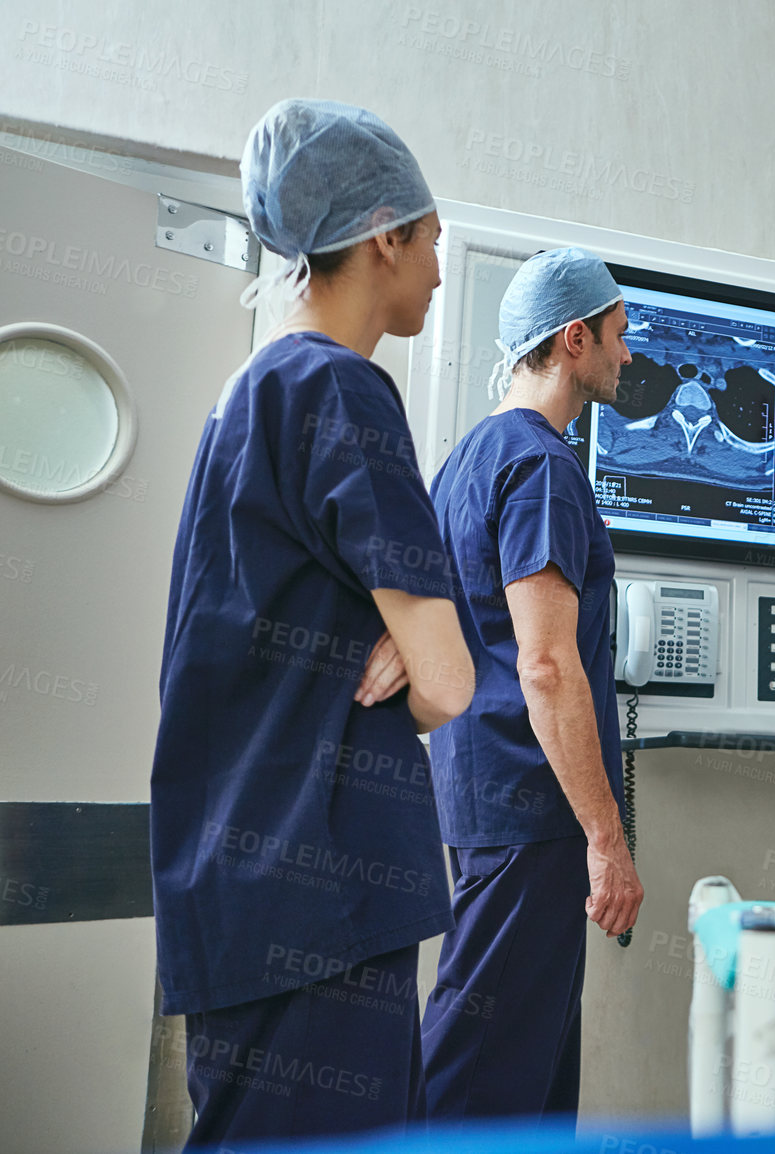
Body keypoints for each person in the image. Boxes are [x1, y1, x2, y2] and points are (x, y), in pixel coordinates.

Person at [150, 99, 474, 1149]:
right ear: (384, 234)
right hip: (321, 893)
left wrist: (384, 645)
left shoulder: (249, 392)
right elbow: (453, 680)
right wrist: (412, 652)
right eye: (431, 240)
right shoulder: (344, 389)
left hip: (250, 882)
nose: (436, 266)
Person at [421, 247, 643, 1118]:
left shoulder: (470, 458)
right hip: (529, 808)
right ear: (575, 339)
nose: (629, 357)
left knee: (530, 1077)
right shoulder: (541, 467)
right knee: (478, 1072)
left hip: (487, 797)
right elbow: (544, 666)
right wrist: (605, 838)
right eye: (619, 338)